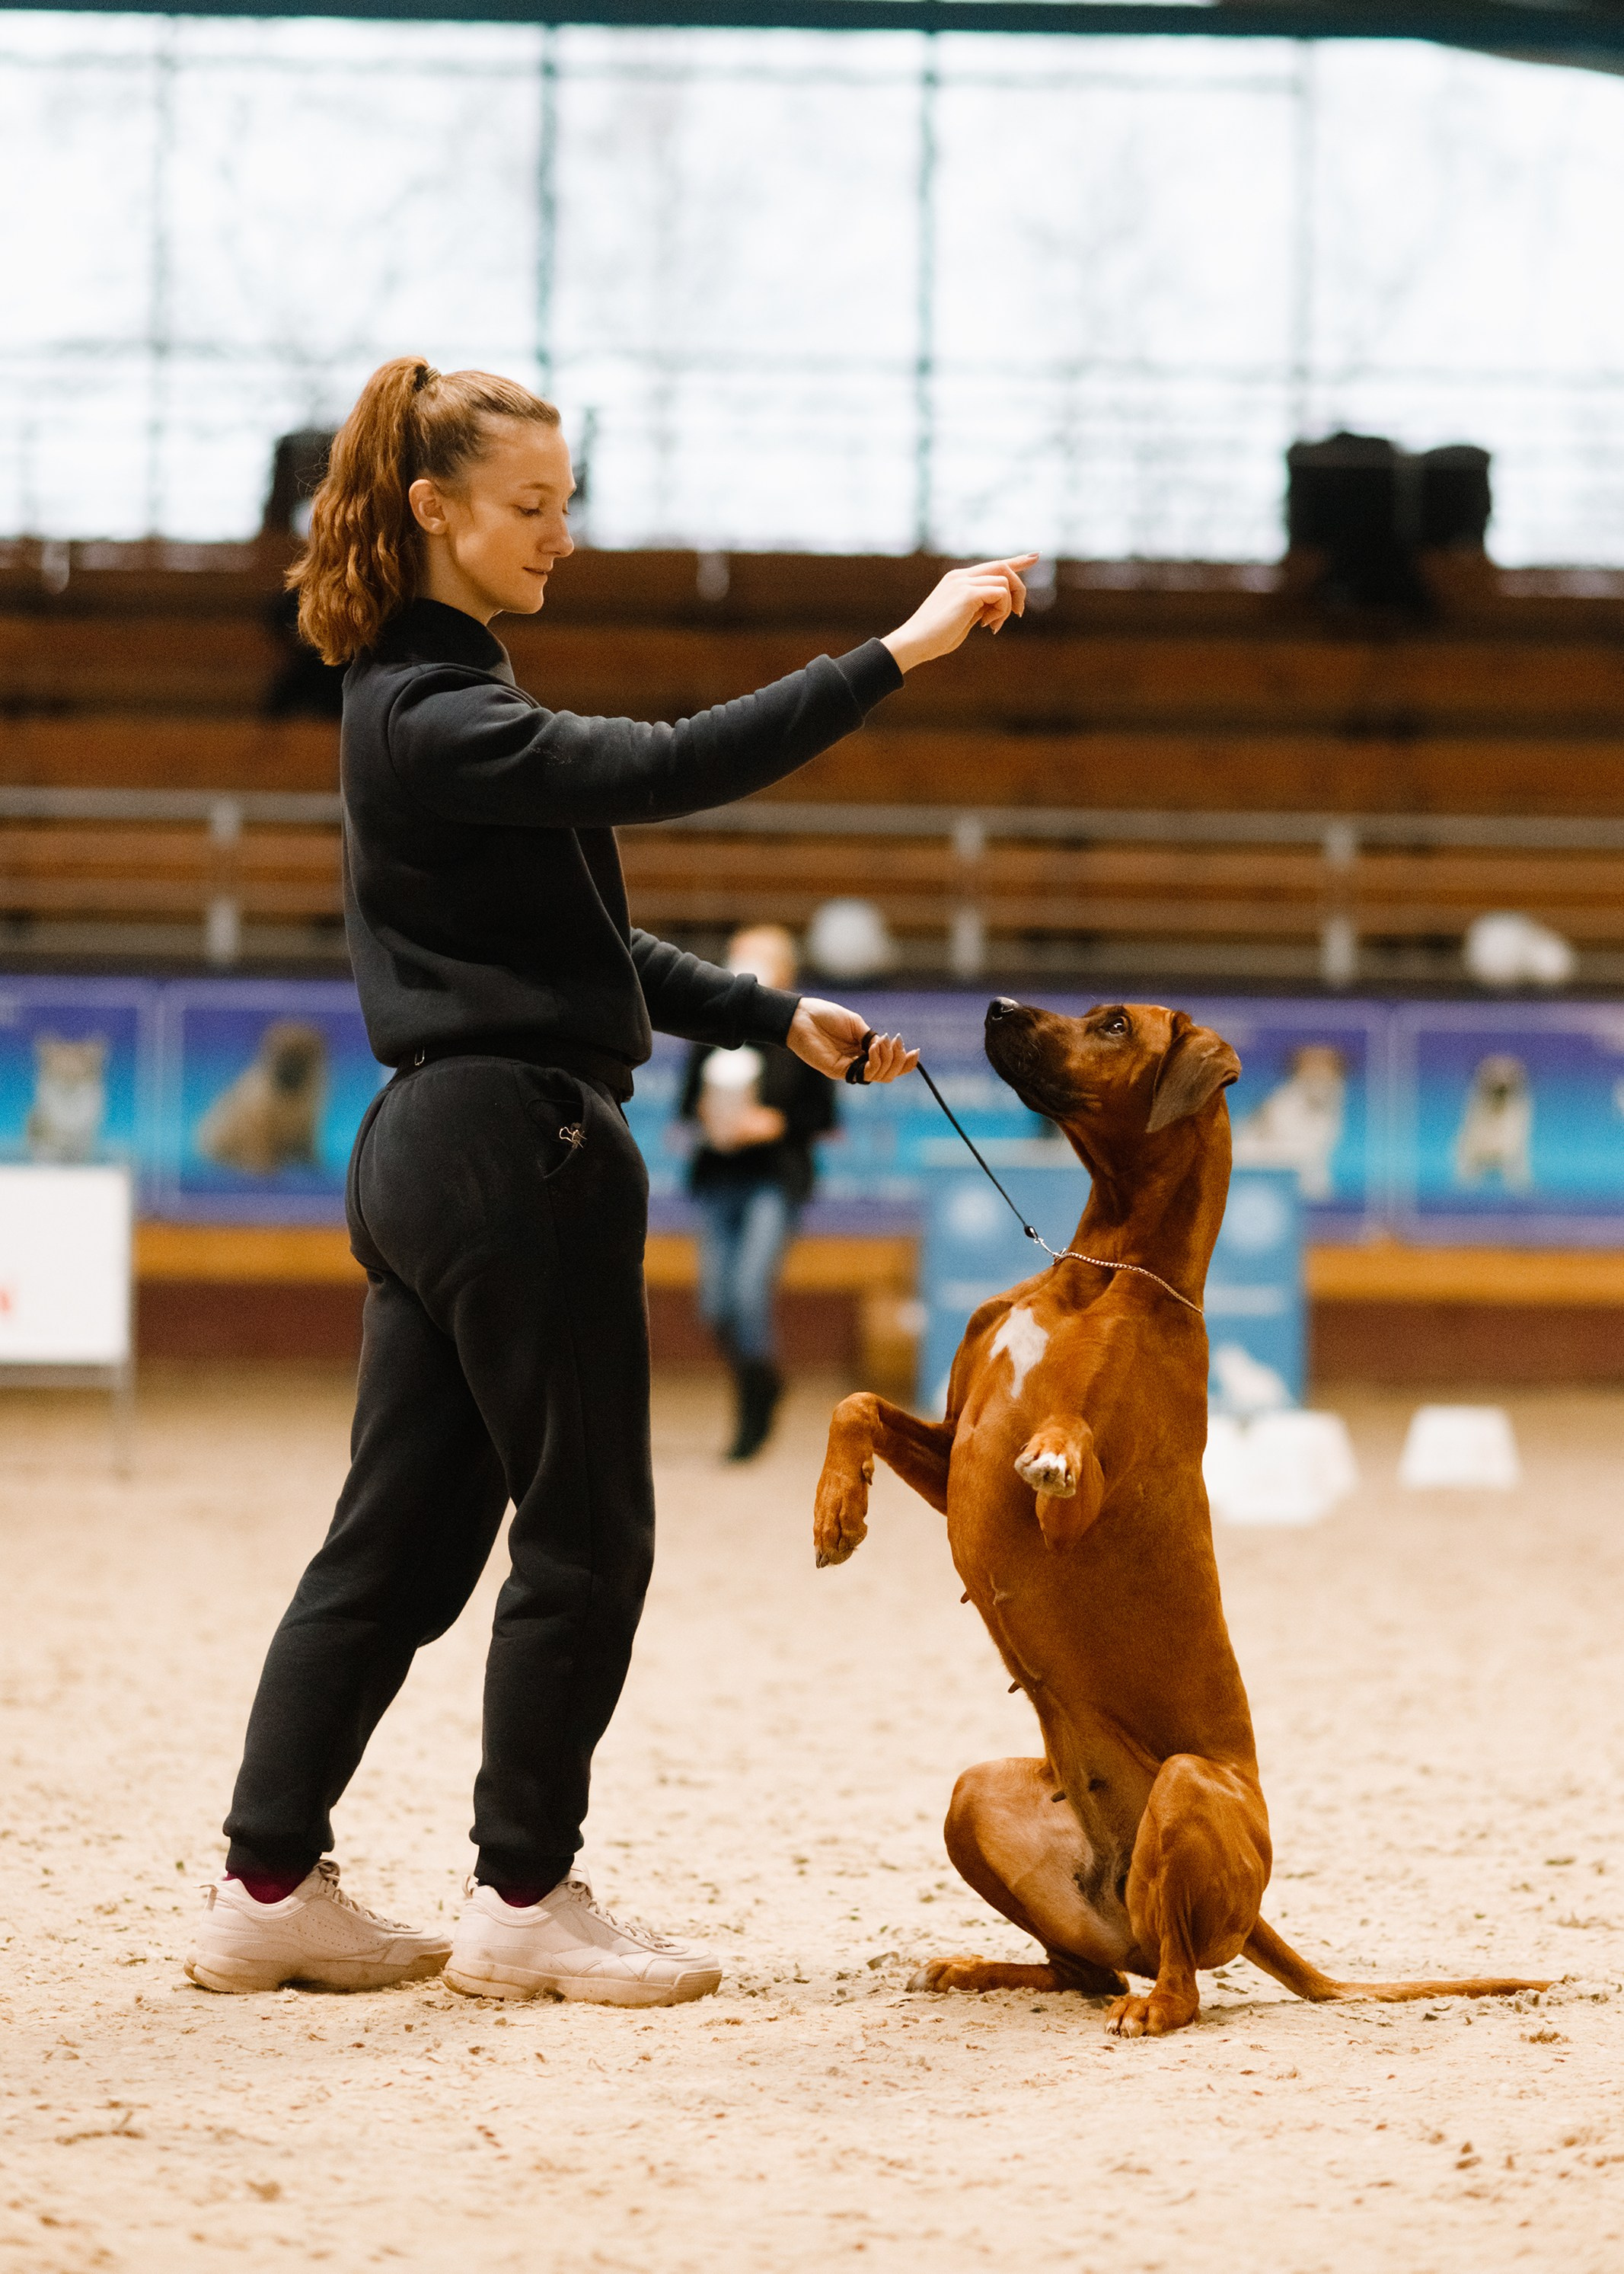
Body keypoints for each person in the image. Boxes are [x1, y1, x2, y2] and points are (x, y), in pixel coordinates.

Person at [184, 353, 1033, 2009]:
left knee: (396, 1546)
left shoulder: (421, 703)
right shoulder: (442, 711)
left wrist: (775, 1015)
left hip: (433, 1146)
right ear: (431, 509)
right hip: (521, 1150)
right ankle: (522, 1896)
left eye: (564, 504)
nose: (557, 536)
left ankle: (267, 1883)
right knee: (586, 1533)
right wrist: (900, 651)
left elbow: (592, 945)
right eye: (527, 507)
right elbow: (660, 765)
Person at [678, 924, 834, 1461]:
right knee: (715, 1306)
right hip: (718, 1177)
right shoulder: (713, 1028)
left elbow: (822, 1116)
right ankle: (763, 1381)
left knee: (748, 1294)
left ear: (787, 970)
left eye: (760, 957)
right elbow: (686, 1107)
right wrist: (708, 1118)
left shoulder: (808, 1034)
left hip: (774, 1179)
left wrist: (775, 1124)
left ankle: (750, 1412)